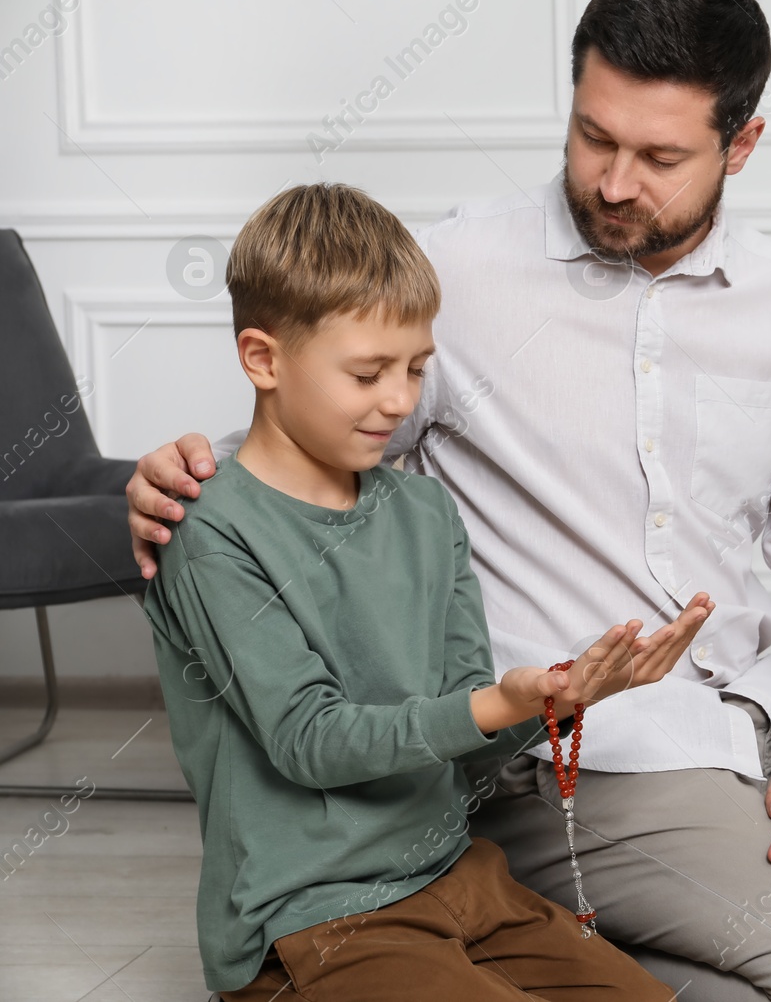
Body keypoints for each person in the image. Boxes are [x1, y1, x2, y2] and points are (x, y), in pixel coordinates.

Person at [128, 0, 771, 1002]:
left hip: (755, 713)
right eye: (593, 137)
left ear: (740, 144)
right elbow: (316, 425)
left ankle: (643, 942)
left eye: (659, 155)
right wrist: (184, 473)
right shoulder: (461, 271)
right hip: (573, 751)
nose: (615, 182)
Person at [141, 182, 716, 1000]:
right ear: (263, 358)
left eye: (415, 368)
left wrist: (557, 696)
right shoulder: (210, 531)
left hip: (460, 876)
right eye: (369, 372)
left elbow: (461, 735)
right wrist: (495, 701)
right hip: (315, 914)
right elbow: (310, 739)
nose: (401, 400)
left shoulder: (423, 509)